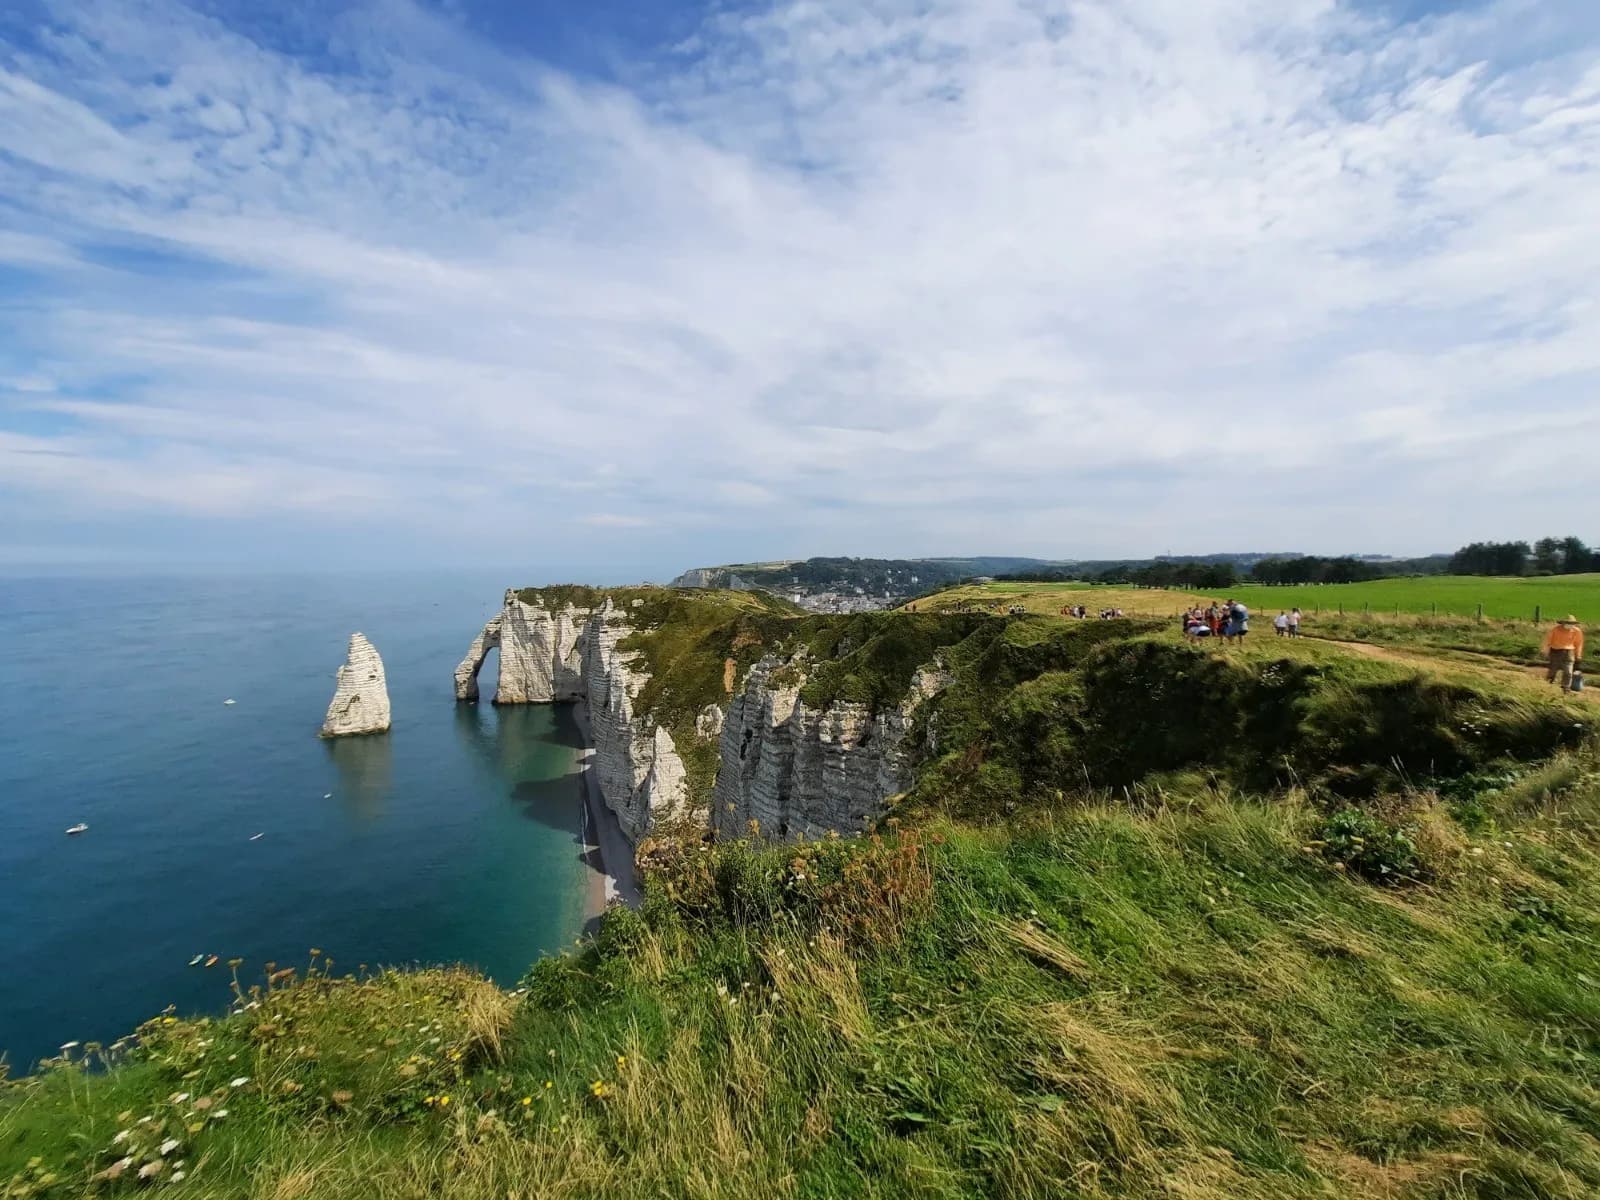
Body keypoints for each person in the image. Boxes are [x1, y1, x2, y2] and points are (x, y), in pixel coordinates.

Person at [1542, 615, 1585, 692]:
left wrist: (1578, 655)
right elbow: (1547, 641)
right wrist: (1545, 651)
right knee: (1552, 670)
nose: (1569, 625)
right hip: (1555, 651)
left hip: (1569, 652)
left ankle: (1566, 688)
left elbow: (1579, 644)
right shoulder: (1555, 630)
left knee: (1568, 672)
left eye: (1571, 623)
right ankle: (1547, 686)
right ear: (1563, 623)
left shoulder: (1577, 631)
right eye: (1568, 623)